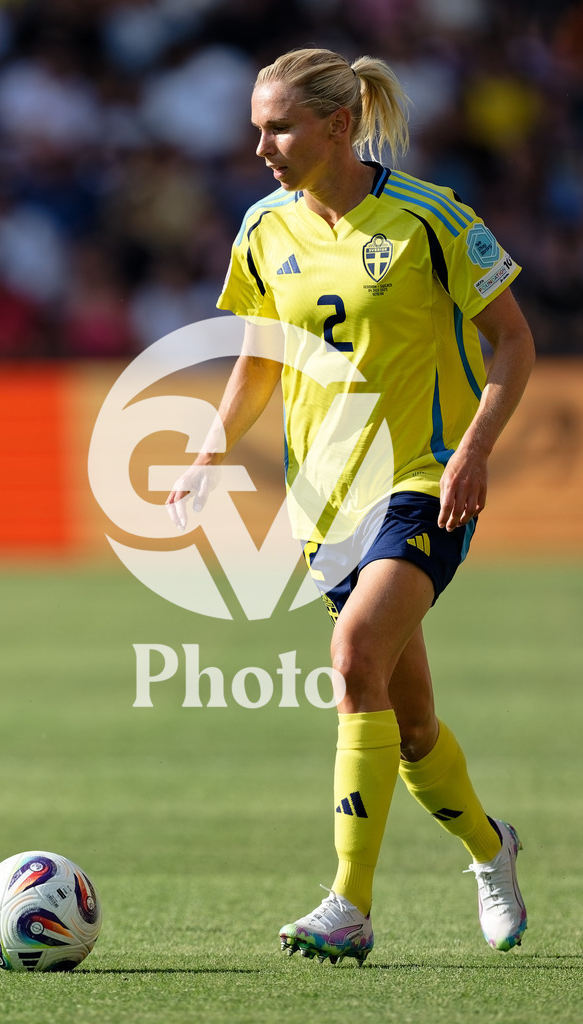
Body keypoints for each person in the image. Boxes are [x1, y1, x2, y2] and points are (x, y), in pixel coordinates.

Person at [166, 47, 535, 964]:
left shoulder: (430, 217)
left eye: (279, 128)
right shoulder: (262, 227)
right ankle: (490, 849)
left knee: (352, 655)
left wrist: (474, 451)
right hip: (325, 504)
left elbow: (513, 341)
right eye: (256, 129)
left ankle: (348, 905)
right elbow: (258, 358)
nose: (261, 147)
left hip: (423, 480)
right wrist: (210, 449)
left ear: (338, 126)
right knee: (409, 727)